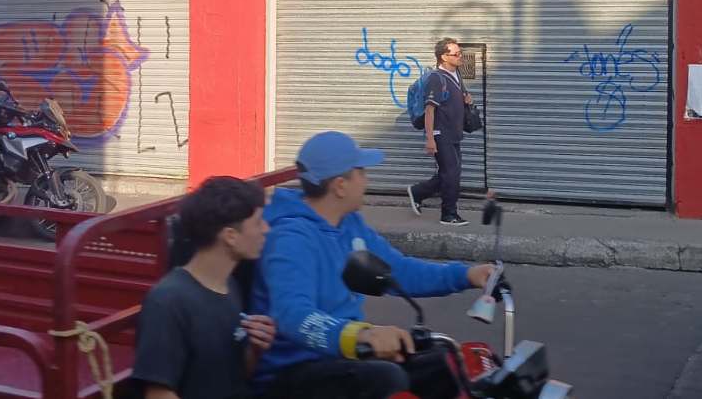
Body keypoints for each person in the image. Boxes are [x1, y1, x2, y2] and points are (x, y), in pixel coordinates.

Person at [251, 130, 496, 399]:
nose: (367, 180)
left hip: (343, 358)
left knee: (442, 364)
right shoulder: (290, 239)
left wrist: (467, 275)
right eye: (362, 172)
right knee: (387, 378)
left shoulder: (349, 224)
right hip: (294, 370)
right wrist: (361, 336)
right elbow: (293, 315)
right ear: (340, 186)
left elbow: (398, 270)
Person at [131, 176, 276, 399]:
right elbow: (158, 393)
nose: (266, 229)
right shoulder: (168, 301)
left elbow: (229, 378)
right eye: (258, 222)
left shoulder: (230, 287)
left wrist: (254, 350)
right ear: (230, 236)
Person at [407, 37, 473, 226]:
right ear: (444, 57)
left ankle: (417, 192)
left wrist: (466, 100)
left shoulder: (456, 75)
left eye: (460, 53)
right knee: (451, 173)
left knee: (450, 172)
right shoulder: (436, 78)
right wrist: (430, 139)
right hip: (440, 133)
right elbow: (430, 110)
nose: (460, 56)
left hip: (454, 132)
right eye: (456, 54)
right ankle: (448, 214)